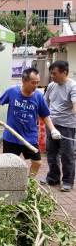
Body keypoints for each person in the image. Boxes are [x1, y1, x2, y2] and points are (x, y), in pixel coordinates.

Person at [0, 68, 61, 176]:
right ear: (24, 81)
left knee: (37, 162)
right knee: (8, 165)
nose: (36, 86)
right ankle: (8, 187)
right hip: (11, 136)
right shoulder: (12, 91)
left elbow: (45, 115)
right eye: (33, 83)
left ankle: (29, 184)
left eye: (37, 82)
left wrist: (53, 130)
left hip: (30, 136)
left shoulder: (38, 97)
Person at [40, 60, 76, 192]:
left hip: (67, 126)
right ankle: (53, 177)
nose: (52, 76)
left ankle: (67, 181)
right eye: (51, 74)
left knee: (67, 154)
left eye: (54, 74)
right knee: (51, 152)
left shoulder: (73, 86)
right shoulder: (51, 86)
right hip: (52, 125)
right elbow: (45, 104)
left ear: (64, 73)